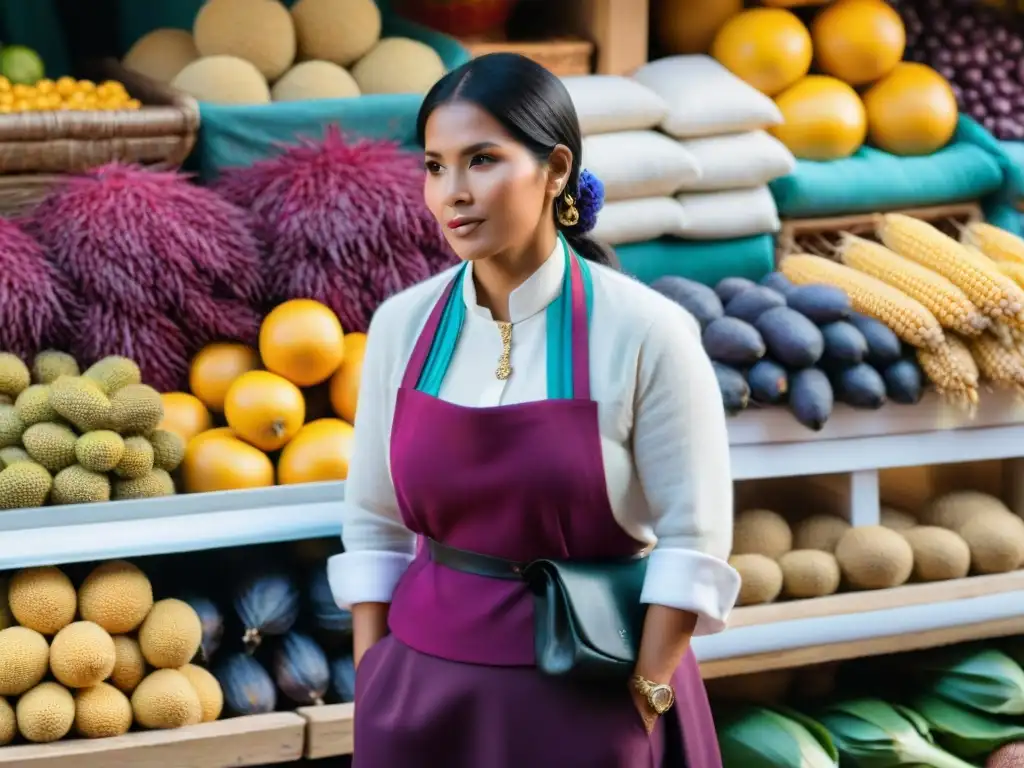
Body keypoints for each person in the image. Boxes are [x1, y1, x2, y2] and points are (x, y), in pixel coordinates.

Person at [328, 52, 740, 768]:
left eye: (481, 160)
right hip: (423, 704)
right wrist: (373, 680)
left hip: (595, 700)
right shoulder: (401, 324)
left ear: (555, 170)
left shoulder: (647, 329)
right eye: (434, 165)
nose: (452, 193)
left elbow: (695, 539)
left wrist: (646, 694)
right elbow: (372, 523)